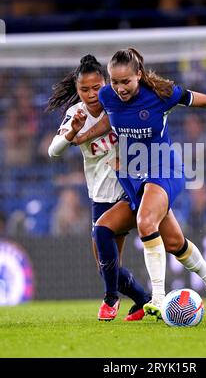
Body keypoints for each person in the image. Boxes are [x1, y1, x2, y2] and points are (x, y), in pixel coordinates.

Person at [77, 47, 206, 319]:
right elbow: (108, 123)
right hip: (134, 177)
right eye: (115, 82)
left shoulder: (162, 94)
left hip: (164, 169)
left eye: (126, 82)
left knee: (146, 222)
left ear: (139, 75)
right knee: (158, 239)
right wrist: (79, 136)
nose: (120, 88)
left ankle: (158, 298)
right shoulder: (107, 96)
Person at [47, 55, 151, 321]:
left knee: (105, 241)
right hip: (100, 194)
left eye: (96, 88)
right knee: (106, 268)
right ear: (77, 89)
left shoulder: (119, 102)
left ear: (106, 83)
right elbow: (53, 151)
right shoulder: (75, 115)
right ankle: (144, 300)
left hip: (129, 188)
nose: (92, 94)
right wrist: (72, 133)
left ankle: (110, 300)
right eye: (85, 89)